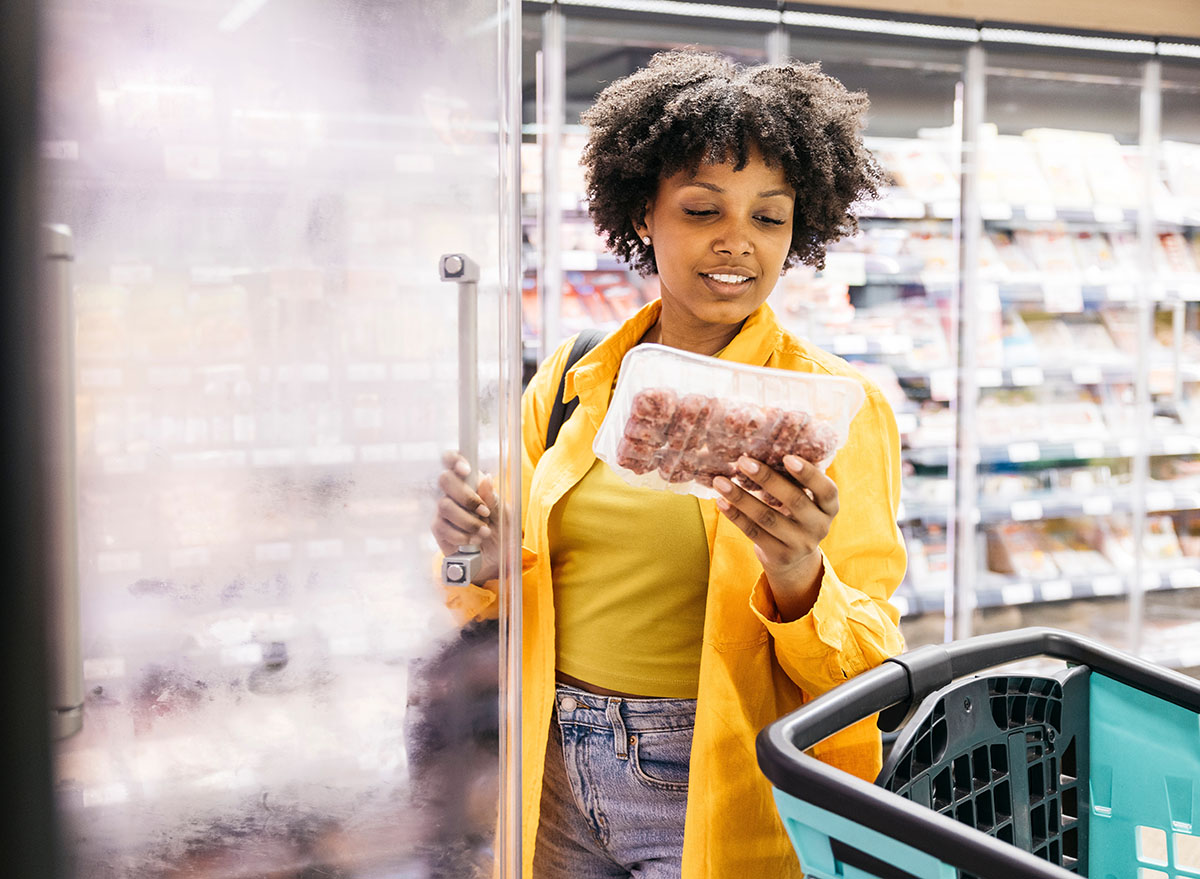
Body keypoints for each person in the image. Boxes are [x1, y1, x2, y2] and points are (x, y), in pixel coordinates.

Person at [431, 49, 906, 878]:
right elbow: (489, 592)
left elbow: (867, 660)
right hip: (551, 761)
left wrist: (798, 570)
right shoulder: (576, 379)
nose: (737, 243)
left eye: (770, 216)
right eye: (700, 208)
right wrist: (475, 542)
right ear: (643, 213)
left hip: (711, 770)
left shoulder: (835, 408)